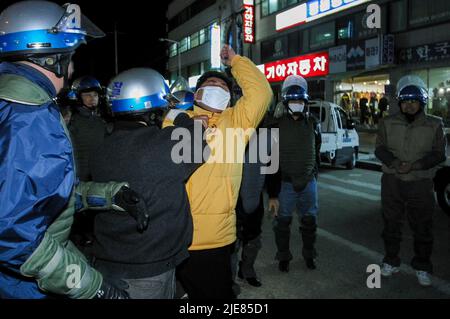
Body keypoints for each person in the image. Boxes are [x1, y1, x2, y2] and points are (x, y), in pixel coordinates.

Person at [0, 1, 147, 299]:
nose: (72, 67)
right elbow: (13, 236)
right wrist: (94, 287)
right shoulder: (31, 120)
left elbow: (42, 198)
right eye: (70, 57)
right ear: (50, 56)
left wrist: (109, 195)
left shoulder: (14, 106)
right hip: (24, 288)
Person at [163, 45, 273, 299]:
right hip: (175, 233)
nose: (217, 88)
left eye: (223, 87)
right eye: (210, 84)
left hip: (215, 236)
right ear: (197, 92)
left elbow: (261, 93)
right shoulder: (175, 120)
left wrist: (236, 61)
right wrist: (190, 127)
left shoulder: (236, 123)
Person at [88, 68, 208, 299]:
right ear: (154, 108)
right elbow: (198, 143)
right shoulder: (164, 144)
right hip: (148, 268)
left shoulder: (101, 148)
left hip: (107, 260)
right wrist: (182, 116)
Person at [375, 75, 447, 287]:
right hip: (392, 181)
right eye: (405, 101)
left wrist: (415, 165)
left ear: (422, 102)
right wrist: (395, 162)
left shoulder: (435, 124)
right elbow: (379, 148)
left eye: (414, 101)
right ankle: (390, 261)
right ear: (400, 103)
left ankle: (422, 266)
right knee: (390, 224)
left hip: (421, 182)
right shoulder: (387, 122)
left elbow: (439, 154)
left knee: (423, 226)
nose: (409, 105)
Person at [267, 75, 321, 272]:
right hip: (285, 184)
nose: (296, 104)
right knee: (282, 223)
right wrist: (272, 193)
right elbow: (270, 160)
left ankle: (309, 254)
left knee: (309, 222)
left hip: (308, 183)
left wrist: (314, 173)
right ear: (286, 102)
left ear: (305, 102)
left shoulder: (313, 123)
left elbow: (316, 148)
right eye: (293, 101)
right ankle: (283, 257)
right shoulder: (275, 124)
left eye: (300, 101)